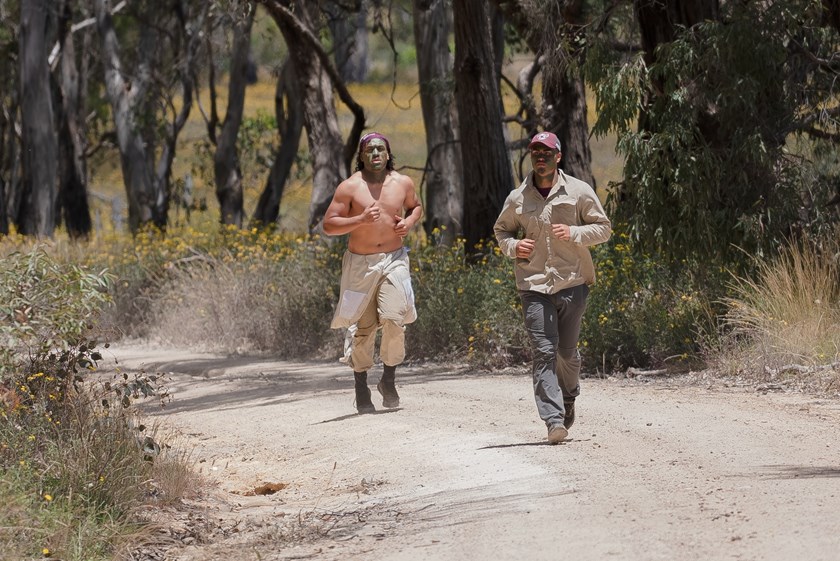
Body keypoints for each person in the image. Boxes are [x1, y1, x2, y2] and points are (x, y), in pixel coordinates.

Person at [493, 131, 611, 444]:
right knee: (543, 352)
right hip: (533, 285)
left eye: (547, 152)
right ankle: (553, 420)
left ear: (558, 156)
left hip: (572, 282)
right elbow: (501, 231)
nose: (540, 157)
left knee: (566, 353)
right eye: (535, 152)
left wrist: (574, 232)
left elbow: (604, 229)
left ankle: (568, 396)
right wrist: (514, 246)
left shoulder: (578, 190)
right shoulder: (518, 197)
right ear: (531, 157)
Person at [324, 132, 423, 414]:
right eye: (370, 150)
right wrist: (359, 219)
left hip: (394, 260)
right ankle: (360, 385)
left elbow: (416, 207)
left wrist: (409, 222)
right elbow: (329, 225)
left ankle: (388, 379)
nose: (376, 154)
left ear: (388, 154)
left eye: (380, 149)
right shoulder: (349, 188)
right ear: (362, 156)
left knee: (394, 318)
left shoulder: (402, 183)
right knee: (363, 329)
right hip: (360, 265)